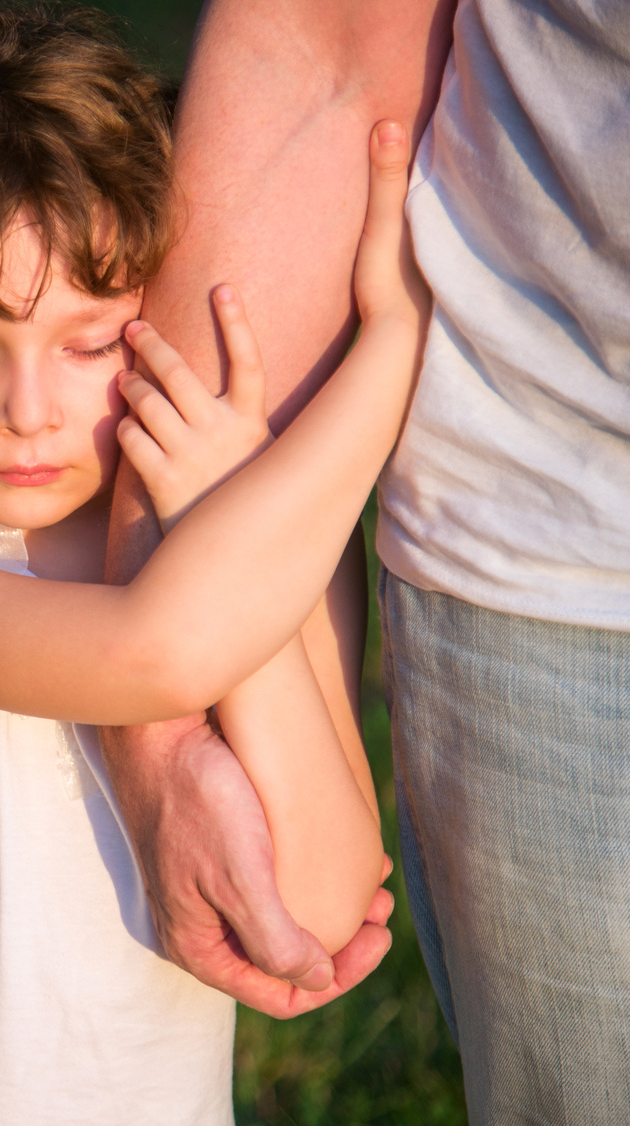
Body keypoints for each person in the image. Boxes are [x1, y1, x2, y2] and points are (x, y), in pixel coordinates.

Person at [0, 6, 423, 1120]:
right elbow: (155, 650)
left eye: (90, 342)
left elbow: (326, 904)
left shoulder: (215, 522)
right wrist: (389, 351)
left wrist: (228, 509)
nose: (30, 411)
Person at [101, 0, 630, 1119]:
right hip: (571, 542)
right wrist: (163, 725)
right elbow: (316, 36)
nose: (30, 406)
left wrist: (229, 513)